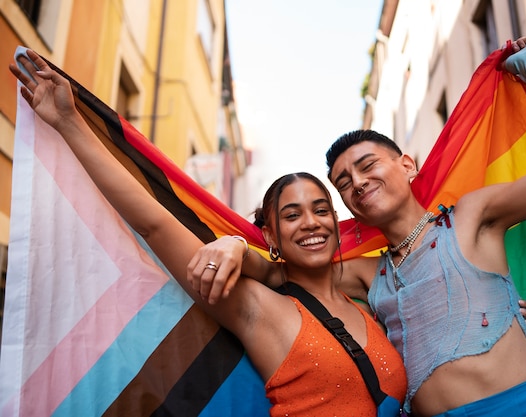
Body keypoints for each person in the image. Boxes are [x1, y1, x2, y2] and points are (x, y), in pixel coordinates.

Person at [10, 50, 408, 416]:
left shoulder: (371, 296)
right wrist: (69, 123)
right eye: (291, 215)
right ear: (270, 236)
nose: (310, 223)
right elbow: (155, 223)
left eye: (321, 210)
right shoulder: (256, 307)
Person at [322, 38, 526, 416]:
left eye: (367, 166)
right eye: (343, 183)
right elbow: (273, 276)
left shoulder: (469, 216)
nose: (358, 183)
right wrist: (235, 244)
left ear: (407, 166)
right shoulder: (368, 275)